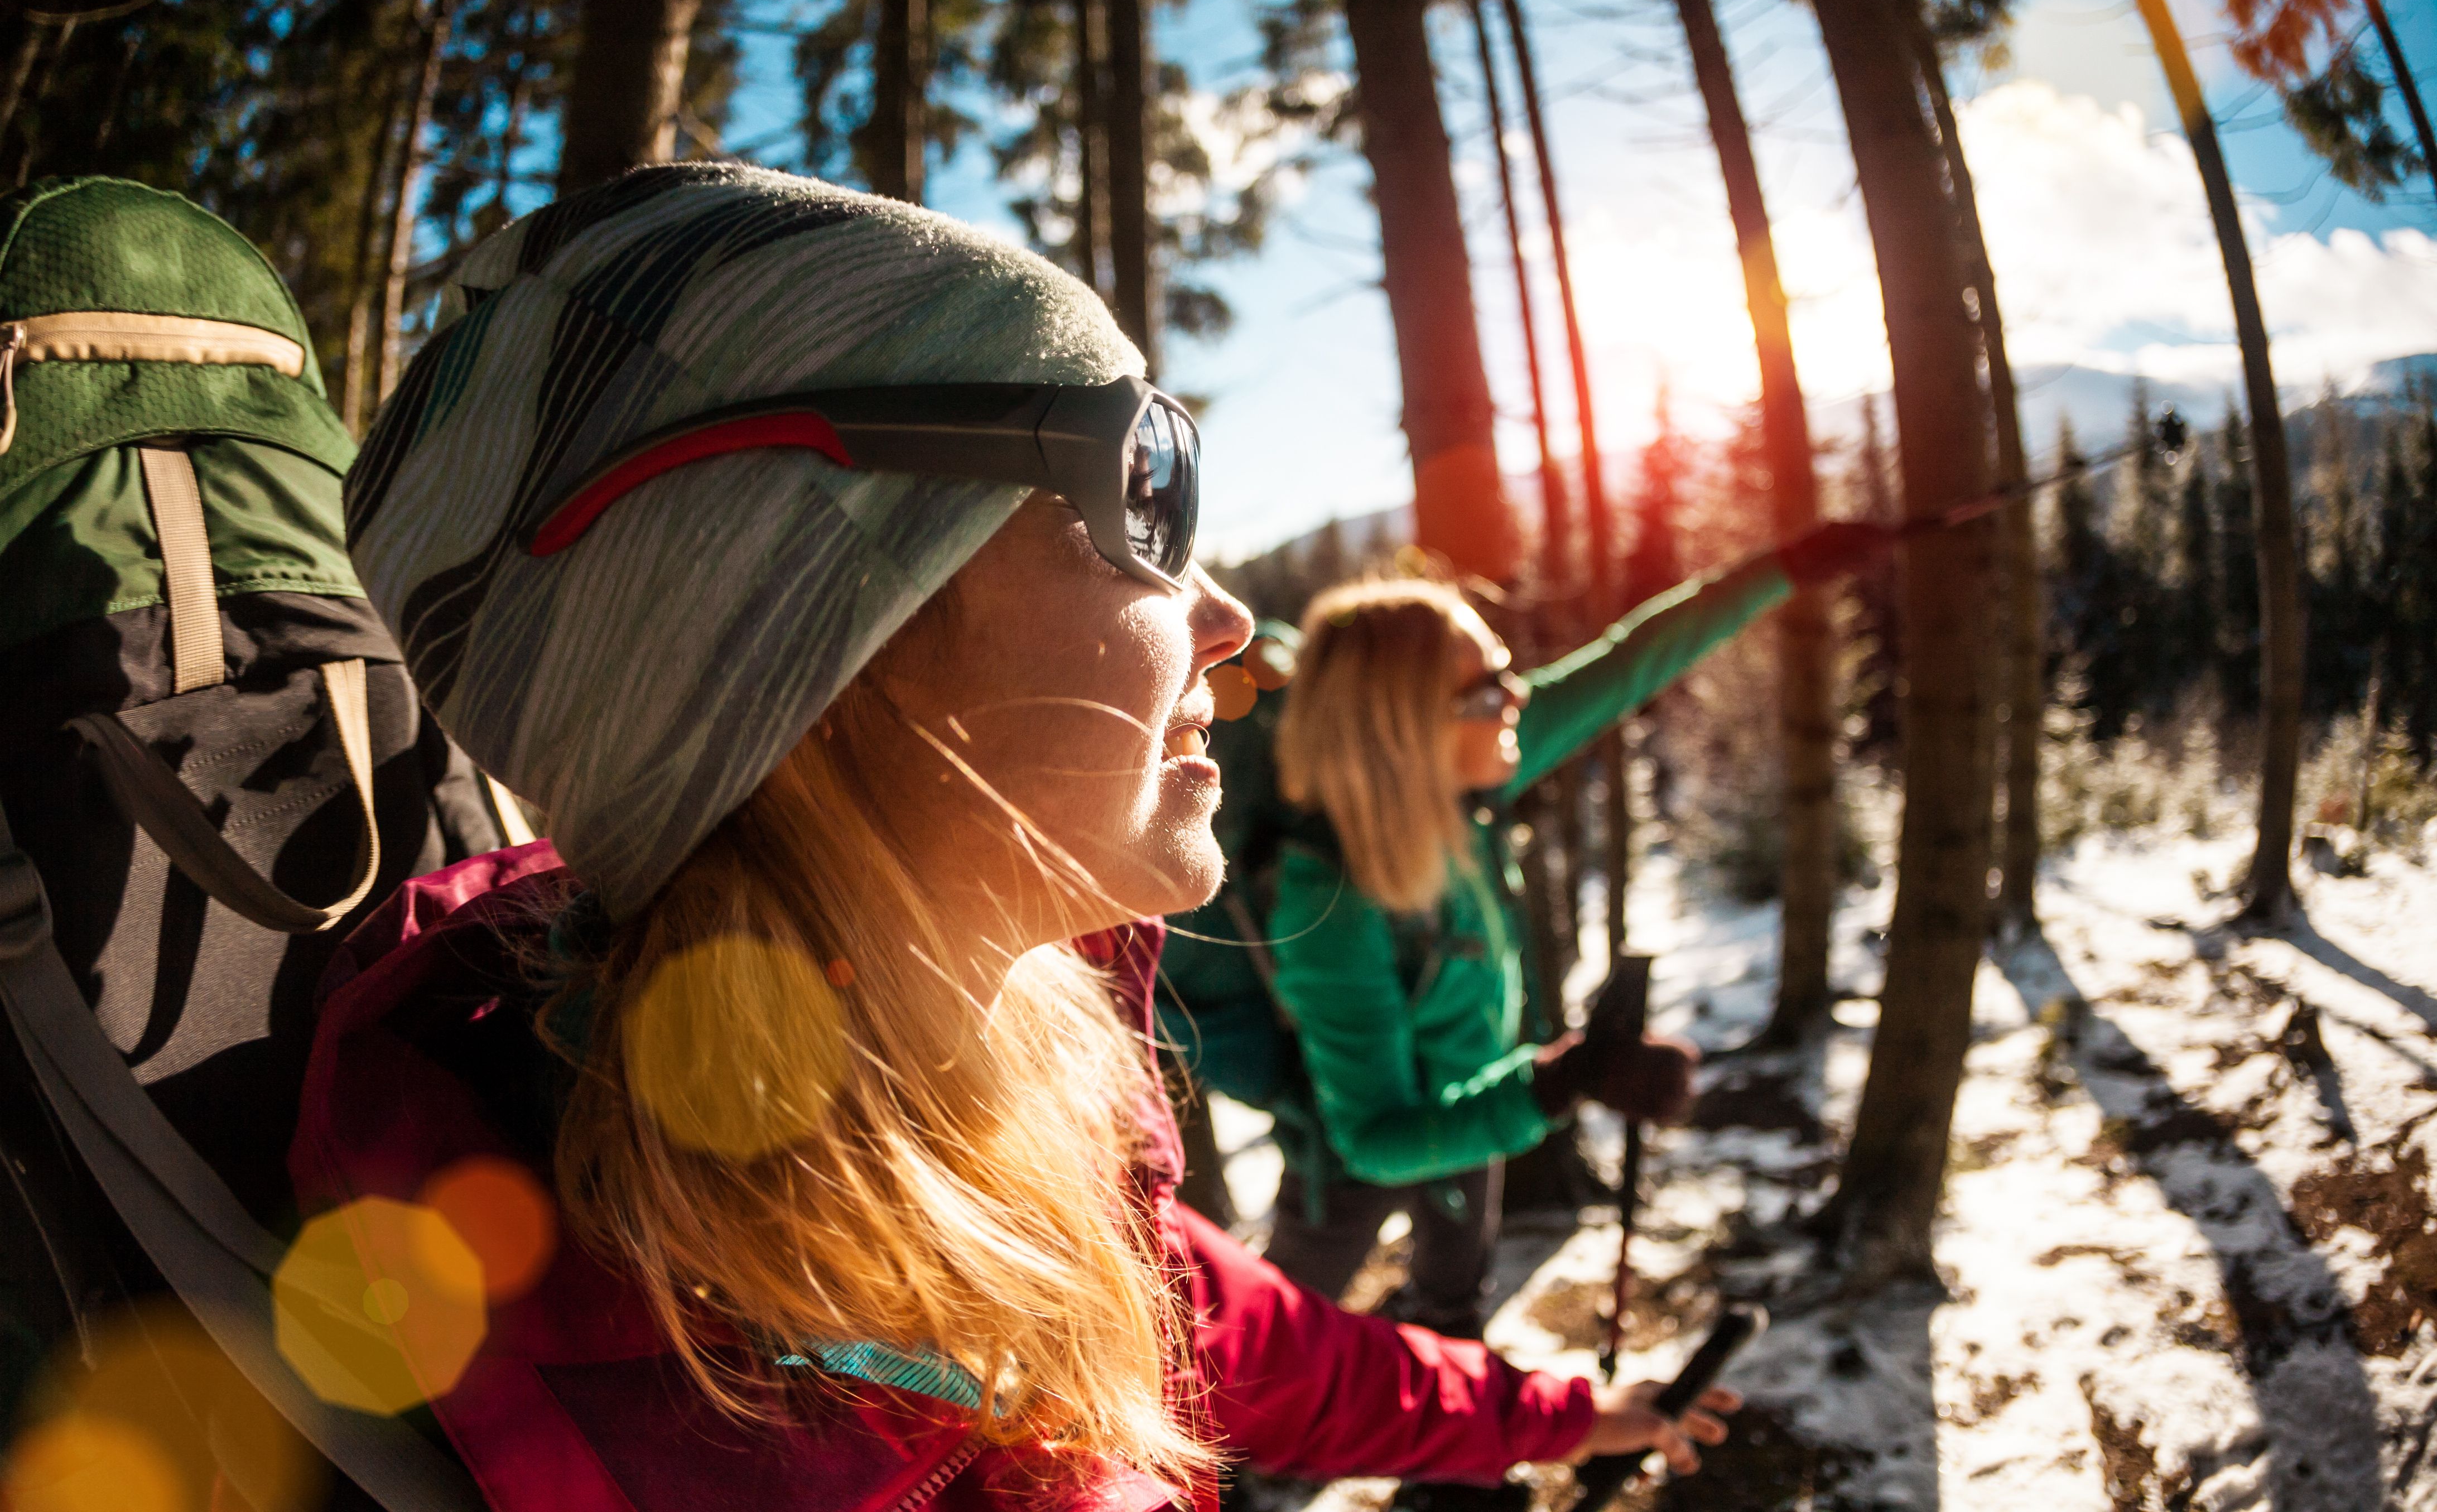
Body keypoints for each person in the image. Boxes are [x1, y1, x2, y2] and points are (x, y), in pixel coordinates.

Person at [302, 162, 1736, 1511]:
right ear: (804, 652)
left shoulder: (1004, 1090)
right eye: (1137, 492)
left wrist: (1551, 1412)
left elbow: (1239, 1341)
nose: (1230, 626)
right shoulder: (686, 1422)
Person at [1256, 528, 1883, 1340]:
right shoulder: (1327, 903)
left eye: (1507, 671)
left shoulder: (1478, 765)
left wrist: (1780, 569)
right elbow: (1375, 1136)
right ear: (1403, 736)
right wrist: (1559, 1080)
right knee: (1279, 1324)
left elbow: (1630, 663)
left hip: (1483, 1101)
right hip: (1350, 1149)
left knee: (1455, 1296)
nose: (1517, 698)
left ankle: (1453, 1440)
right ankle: (1241, 1458)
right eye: (1486, 694)